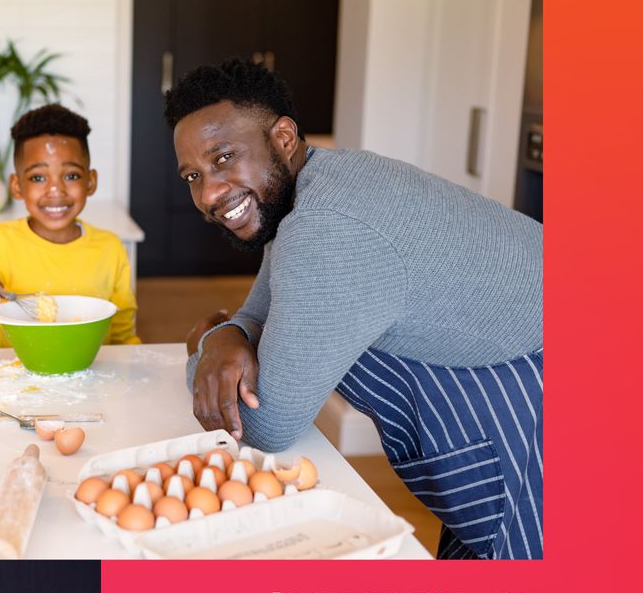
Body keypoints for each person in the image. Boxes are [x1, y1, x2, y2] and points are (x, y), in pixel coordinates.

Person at [165, 59, 543, 560]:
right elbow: (260, 310)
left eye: (224, 157)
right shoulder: (321, 185)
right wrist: (226, 337)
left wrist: (204, 346)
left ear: (282, 138)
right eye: (193, 174)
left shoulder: (327, 226)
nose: (210, 193)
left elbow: (263, 424)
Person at [0, 103, 139, 347]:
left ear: (91, 181)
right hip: (12, 379)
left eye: (71, 176)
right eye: (38, 178)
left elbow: (122, 334)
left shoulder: (110, 248)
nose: (55, 190)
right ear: (16, 186)